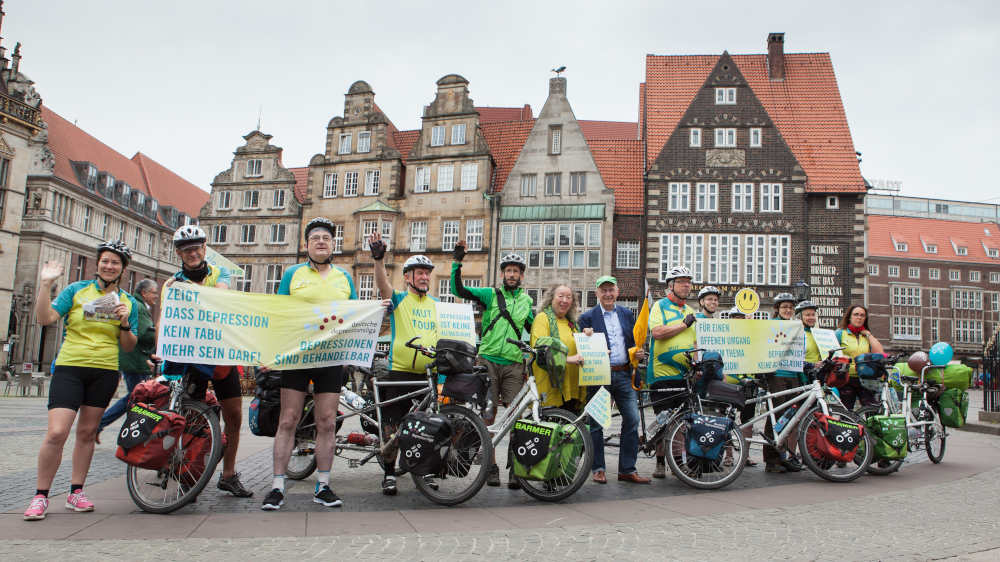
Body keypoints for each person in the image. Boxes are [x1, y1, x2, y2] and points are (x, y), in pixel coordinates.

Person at [24, 241, 139, 520]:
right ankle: (41, 495)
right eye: (105, 261)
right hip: (70, 367)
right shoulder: (76, 291)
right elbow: (44, 318)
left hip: (105, 370)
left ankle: (76, 491)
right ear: (97, 263)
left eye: (115, 262)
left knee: (87, 433)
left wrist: (124, 322)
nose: (109, 266)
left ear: (123, 269)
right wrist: (45, 285)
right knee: (56, 433)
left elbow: (128, 346)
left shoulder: (128, 301)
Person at [262, 218, 356, 510]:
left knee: (327, 423)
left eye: (326, 238)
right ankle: (277, 486)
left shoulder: (344, 277)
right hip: (298, 355)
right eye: (315, 237)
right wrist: (271, 352)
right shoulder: (292, 274)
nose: (320, 241)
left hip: (330, 357)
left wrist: (377, 309)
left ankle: (323, 486)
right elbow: (279, 313)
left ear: (332, 245)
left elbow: (355, 314)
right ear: (306, 245)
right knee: (288, 419)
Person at [167, 225, 252, 498]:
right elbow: (166, 319)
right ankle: (187, 473)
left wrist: (188, 289)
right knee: (191, 418)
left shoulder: (219, 273)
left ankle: (228, 475)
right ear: (179, 253)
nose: (192, 253)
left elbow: (220, 296)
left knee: (234, 417)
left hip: (221, 355)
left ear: (204, 249)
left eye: (196, 248)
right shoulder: (173, 282)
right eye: (186, 250)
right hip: (192, 357)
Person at [450, 242, 534, 487]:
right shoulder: (489, 294)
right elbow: (460, 290)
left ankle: (516, 470)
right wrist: (457, 262)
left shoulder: (526, 301)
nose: (512, 274)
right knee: (488, 416)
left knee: (518, 417)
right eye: (508, 270)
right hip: (487, 360)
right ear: (502, 274)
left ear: (521, 275)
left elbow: (534, 328)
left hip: (514, 364)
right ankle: (491, 466)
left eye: (516, 271)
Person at [369, 231, 439, 496]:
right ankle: (389, 474)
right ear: (407, 277)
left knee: (425, 428)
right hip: (398, 373)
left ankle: (423, 471)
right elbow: (383, 286)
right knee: (392, 427)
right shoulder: (399, 299)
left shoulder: (436, 304)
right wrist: (378, 261)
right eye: (418, 272)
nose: (424, 276)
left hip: (425, 375)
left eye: (427, 273)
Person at [578, 276, 650, 485]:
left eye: (611, 290)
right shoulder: (587, 317)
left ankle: (627, 469)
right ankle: (598, 468)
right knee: (597, 423)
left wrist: (638, 354)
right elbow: (582, 343)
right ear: (597, 294)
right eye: (604, 290)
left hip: (624, 373)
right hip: (600, 374)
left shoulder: (627, 314)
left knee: (632, 420)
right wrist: (585, 335)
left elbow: (634, 342)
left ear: (617, 292)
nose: (608, 294)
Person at [647, 265, 698, 478]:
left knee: (683, 422)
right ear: (671, 285)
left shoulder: (690, 311)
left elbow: (695, 341)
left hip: (684, 375)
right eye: (682, 282)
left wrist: (697, 364)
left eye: (688, 281)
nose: (687, 285)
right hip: (661, 374)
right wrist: (682, 326)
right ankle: (660, 462)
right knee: (663, 420)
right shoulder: (660, 306)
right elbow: (657, 332)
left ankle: (678, 462)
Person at [96, 278, 159, 441]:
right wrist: (160, 335)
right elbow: (145, 334)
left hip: (135, 358)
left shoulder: (138, 305)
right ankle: (105, 425)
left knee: (136, 398)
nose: (156, 296)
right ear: (144, 293)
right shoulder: (139, 307)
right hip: (134, 361)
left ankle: (134, 432)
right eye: (154, 292)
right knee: (135, 398)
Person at [762, 293, 803, 473]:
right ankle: (772, 459)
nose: (788, 310)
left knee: (790, 416)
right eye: (784, 307)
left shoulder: (796, 327)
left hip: (792, 374)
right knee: (776, 416)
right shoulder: (771, 326)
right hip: (776, 374)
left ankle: (784, 455)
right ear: (777, 309)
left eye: (791, 307)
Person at [530, 284, 585, 409]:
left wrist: (596, 347)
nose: (564, 300)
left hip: (572, 387)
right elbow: (540, 348)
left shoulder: (573, 324)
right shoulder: (543, 318)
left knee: (569, 426)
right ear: (551, 299)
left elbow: (581, 350)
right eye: (561, 296)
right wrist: (569, 359)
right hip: (551, 387)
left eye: (569, 297)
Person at [722, 306, 757, 467]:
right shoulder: (724, 337)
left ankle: (745, 455)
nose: (738, 320)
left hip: (749, 382)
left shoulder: (752, 337)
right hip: (729, 383)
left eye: (741, 318)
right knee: (727, 420)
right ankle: (728, 455)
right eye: (735, 317)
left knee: (748, 421)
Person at [836, 304, 884, 410]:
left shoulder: (865, 336)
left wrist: (868, 335)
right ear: (849, 317)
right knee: (847, 411)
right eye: (856, 314)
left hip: (865, 379)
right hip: (846, 379)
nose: (859, 317)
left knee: (872, 409)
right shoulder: (840, 333)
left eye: (862, 315)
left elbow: (880, 353)